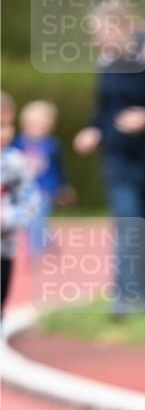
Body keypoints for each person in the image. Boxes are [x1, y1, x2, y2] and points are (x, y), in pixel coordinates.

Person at [73, 0, 145, 315]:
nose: (97, 40)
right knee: (127, 223)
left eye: (101, 32)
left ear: (122, 28)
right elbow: (105, 110)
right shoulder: (107, 64)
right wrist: (93, 130)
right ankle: (123, 297)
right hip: (119, 159)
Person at [14, 100, 73, 258]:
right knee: (26, 222)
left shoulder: (52, 145)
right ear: (26, 123)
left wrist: (64, 187)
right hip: (23, 191)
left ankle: (34, 254)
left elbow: (60, 167)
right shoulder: (17, 143)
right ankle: (46, 243)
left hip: (45, 190)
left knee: (39, 219)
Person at [1, 92, 40, 318]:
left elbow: (30, 199)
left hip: (4, 248)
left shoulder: (16, 163)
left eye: (6, 125)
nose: (3, 132)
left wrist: (10, 218)